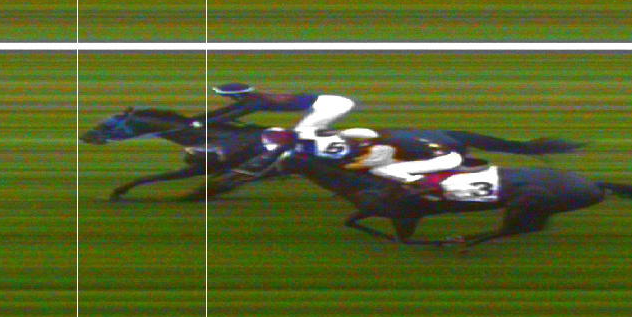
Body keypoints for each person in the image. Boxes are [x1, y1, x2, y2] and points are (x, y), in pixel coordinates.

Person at [199, 83, 356, 156]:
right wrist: (199, 120)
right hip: (328, 102)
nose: (226, 98)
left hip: (333, 105)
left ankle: (319, 152)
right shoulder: (252, 98)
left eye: (226, 96)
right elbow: (227, 111)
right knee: (305, 130)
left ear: (235, 94)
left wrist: (202, 123)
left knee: (300, 132)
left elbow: (231, 115)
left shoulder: (254, 102)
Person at [337, 128, 468, 199]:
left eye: (349, 140)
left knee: (378, 170)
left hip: (444, 160)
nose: (348, 142)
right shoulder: (387, 136)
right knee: (390, 163)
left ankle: (418, 182)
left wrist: (346, 166)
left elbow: (369, 163)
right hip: (445, 154)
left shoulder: (381, 146)